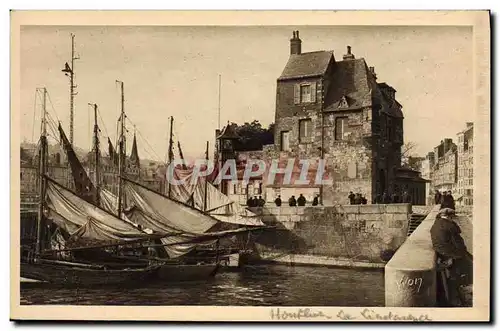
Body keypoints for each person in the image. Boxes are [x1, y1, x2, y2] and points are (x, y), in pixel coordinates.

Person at [430, 208, 473, 306]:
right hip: (451, 254)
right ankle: (464, 291)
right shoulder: (450, 225)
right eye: (452, 217)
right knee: (471, 264)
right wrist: (463, 252)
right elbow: (458, 243)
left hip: (442, 253)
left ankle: (463, 289)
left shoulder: (435, 224)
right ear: (449, 216)